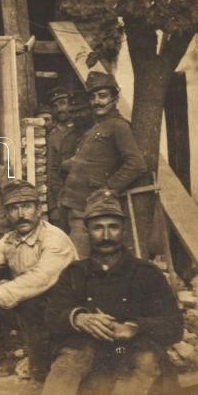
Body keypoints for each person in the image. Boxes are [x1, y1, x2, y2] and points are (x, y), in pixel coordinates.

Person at [41, 190, 183, 395]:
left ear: (124, 230)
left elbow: (174, 325)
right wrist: (78, 318)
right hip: (86, 352)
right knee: (68, 361)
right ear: (86, 231)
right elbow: (51, 317)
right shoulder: (74, 273)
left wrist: (135, 327)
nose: (106, 236)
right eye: (98, 228)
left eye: (113, 227)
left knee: (146, 360)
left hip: (134, 351)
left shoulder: (147, 273)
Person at [0, 180, 76, 381]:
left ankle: (38, 357)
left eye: (26, 206)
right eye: (13, 209)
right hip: (28, 303)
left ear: (38, 210)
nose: (20, 214)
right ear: (7, 214)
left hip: (60, 312)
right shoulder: (10, 239)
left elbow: (41, 278)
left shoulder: (54, 238)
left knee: (27, 301)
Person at [60, 72, 147, 257]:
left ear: (114, 99)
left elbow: (136, 164)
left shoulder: (119, 126)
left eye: (103, 96)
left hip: (91, 206)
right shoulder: (95, 128)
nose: (97, 102)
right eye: (93, 97)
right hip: (75, 205)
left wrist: (109, 189)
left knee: (81, 258)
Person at [46, 86, 80, 231]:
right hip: (61, 196)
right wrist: (52, 206)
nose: (59, 109)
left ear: (71, 104)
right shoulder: (51, 136)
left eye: (62, 103)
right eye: (55, 106)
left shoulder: (81, 130)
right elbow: (49, 172)